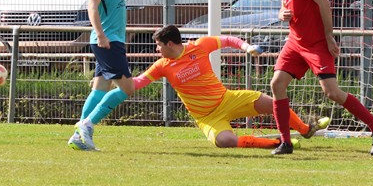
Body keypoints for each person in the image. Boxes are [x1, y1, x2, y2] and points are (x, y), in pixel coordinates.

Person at [268, 0, 373, 155]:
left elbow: (324, 2)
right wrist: (281, 14)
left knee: (331, 92)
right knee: (277, 84)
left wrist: (328, 36)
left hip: (316, 42)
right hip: (295, 41)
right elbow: (284, 7)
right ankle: (285, 142)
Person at [133, 25, 331, 149]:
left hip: (227, 99)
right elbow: (138, 82)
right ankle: (277, 143)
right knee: (225, 141)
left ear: (169, 43)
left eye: (158, 45)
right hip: (207, 118)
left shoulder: (199, 46)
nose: (157, 49)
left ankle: (305, 129)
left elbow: (228, 40)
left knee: (273, 103)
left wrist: (247, 47)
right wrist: (120, 81)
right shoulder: (161, 66)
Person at [68, 0, 135, 151]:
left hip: (111, 40)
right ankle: (86, 125)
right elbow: (92, 6)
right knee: (127, 88)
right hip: (108, 41)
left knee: (100, 88)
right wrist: (101, 35)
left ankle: (78, 137)